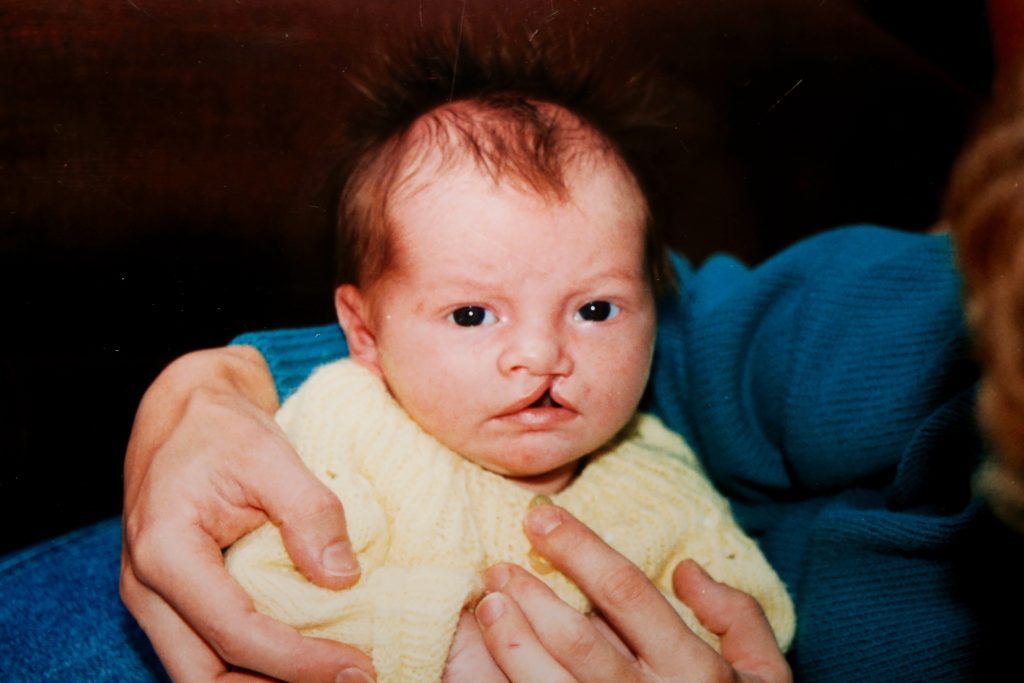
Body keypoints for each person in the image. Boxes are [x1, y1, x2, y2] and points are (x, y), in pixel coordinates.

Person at [220, 64, 795, 679]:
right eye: (472, 315)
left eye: (595, 310)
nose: (543, 355)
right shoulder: (348, 423)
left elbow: (752, 614)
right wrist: (439, 642)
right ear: (364, 333)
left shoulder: (663, 471)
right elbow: (260, 590)